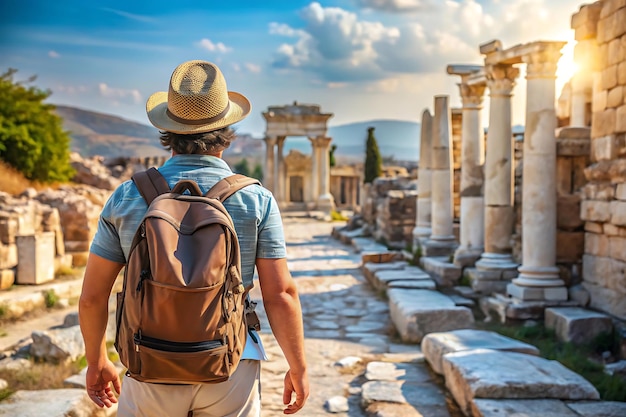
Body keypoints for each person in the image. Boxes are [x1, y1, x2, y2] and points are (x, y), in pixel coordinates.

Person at [78, 60, 309, 416]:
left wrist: (96, 361)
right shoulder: (255, 199)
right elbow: (280, 294)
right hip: (231, 361)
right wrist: (298, 367)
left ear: (167, 131)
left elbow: (93, 297)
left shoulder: (127, 196)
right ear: (226, 130)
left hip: (147, 361)